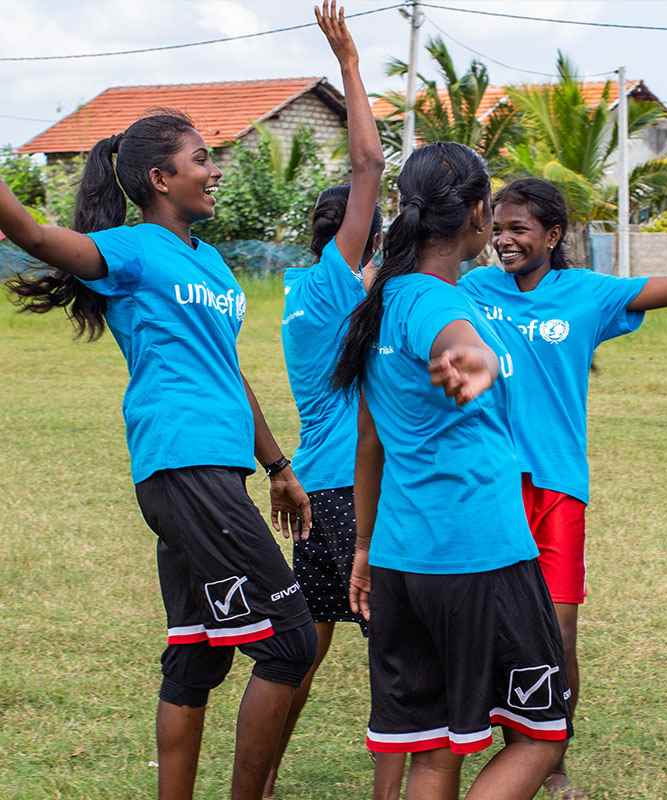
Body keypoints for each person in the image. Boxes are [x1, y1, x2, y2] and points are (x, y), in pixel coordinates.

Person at [2, 109, 317, 797]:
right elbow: (30, 233)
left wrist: (278, 467)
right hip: (181, 465)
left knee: (197, 657)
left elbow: (227, 370)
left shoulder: (212, 262)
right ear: (161, 179)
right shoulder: (131, 250)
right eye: (201, 159)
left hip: (215, 470)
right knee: (290, 643)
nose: (215, 170)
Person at [457, 167, 667, 796]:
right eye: (498, 228)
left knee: (557, 632)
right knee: (492, 628)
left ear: (553, 234)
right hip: (490, 486)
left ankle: (550, 758)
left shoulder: (588, 294)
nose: (504, 240)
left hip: (557, 488)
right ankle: (496, 744)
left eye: (519, 229)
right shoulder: (474, 287)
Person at [332, 141, 570, 800]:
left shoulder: (381, 299)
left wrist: (363, 547)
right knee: (542, 736)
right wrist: (476, 360)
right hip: (478, 553)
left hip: (400, 558)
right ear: (476, 213)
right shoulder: (439, 304)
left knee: (435, 751)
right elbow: (461, 345)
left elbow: (369, 440)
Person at [266, 3, 386, 797]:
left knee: (302, 655)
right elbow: (369, 164)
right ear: (354, 238)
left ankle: (265, 774)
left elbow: (370, 282)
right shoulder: (338, 285)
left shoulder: (304, 294)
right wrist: (348, 62)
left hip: (314, 490)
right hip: (352, 493)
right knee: (393, 648)